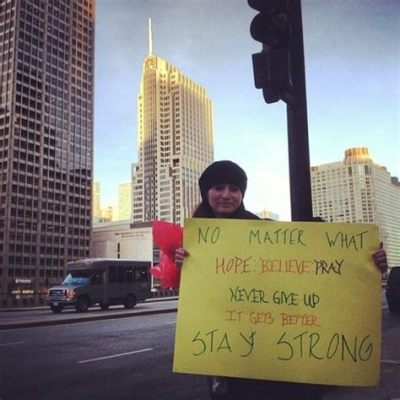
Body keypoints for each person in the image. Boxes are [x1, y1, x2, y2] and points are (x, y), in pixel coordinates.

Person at [175, 160, 388, 400]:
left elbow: (321, 264)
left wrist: (369, 260)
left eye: (234, 189)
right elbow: (196, 297)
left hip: (277, 352)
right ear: (206, 192)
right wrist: (183, 264)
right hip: (229, 351)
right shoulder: (193, 241)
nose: (227, 195)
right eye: (218, 187)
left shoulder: (267, 233)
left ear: (242, 194)